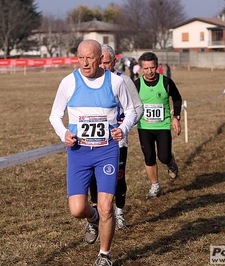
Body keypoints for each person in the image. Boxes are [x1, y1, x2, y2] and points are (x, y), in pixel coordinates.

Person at [49, 39, 138, 266]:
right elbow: (55, 115)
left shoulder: (116, 82)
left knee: (107, 206)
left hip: (106, 151)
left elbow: (131, 111)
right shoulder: (69, 82)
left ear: (100, 59)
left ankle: (104, 255)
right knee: (77, 209)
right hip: (78, 152)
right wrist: (63, 134)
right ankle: (93, 217)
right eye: (81, 57)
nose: (85, 62)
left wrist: (122, 128)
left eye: (90, 58)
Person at [89, 44, 144, 231]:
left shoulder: (124, 81)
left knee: (118, 178)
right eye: (100, 63)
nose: (103, 67)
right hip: (94, 142)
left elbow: (138, 108)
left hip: (118, 142)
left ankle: (119, 213)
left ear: (114, 61)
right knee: (93, 180)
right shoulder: (88, 81)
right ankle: (95, 217)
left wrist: (125, 126)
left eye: (106, 63)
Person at [134, 52, 182, 199]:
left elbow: (177, 98)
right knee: (149, 156)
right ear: (141, 68)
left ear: (157, 66)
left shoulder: (166, 82)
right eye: (146, 68)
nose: (149, 71)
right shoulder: (136, 85)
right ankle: (155, 186)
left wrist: (176, 117)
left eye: (152, 67)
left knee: (163, 156)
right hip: (144, 127)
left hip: (162, 126)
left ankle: (170, 161)